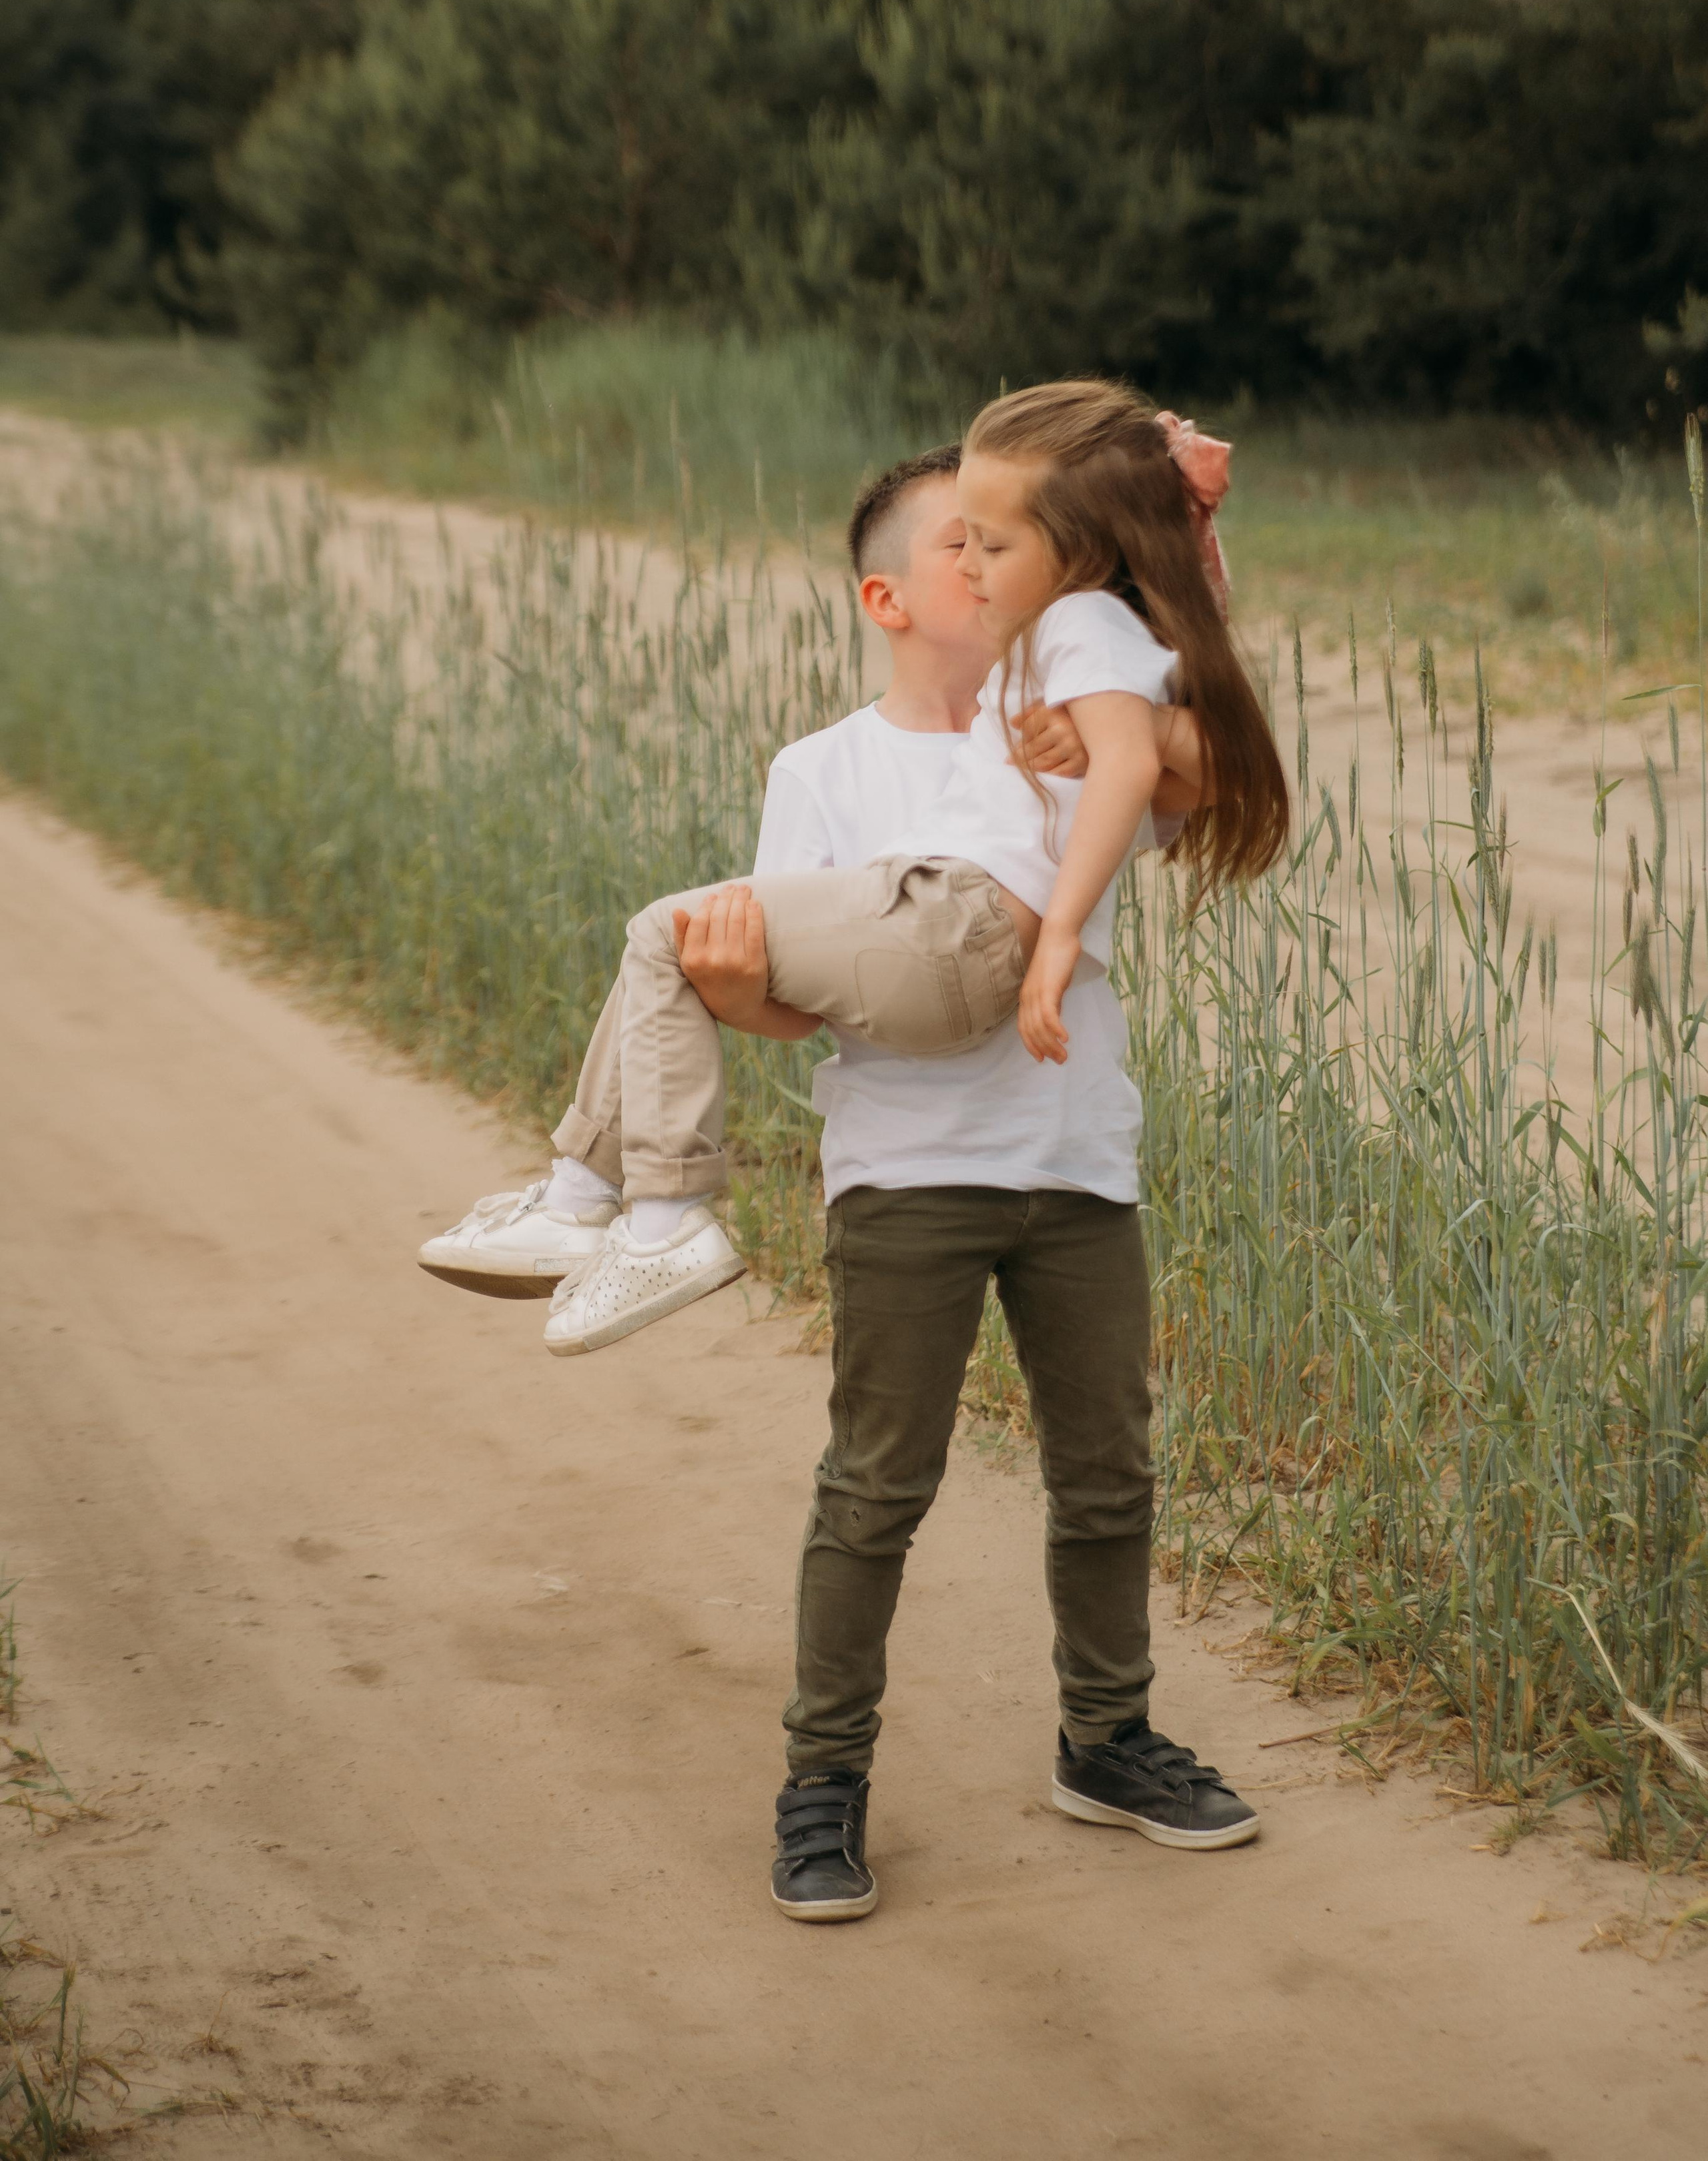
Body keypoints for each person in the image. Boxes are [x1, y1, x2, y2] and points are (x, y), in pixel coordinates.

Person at [422, 378, 1288, 1921]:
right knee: (874, 1489)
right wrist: (737, 975)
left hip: (1074, 1159)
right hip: (904, 1171)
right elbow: (783, 1009)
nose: (988, 572)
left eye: (1003, 547)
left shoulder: (1066, 721)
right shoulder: (822, 771)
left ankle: (1106, 1737)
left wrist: (1142, 665)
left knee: (1107, 1475)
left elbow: (1211, 772)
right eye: (961, 551)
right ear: (897, 594)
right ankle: (822, 1779)